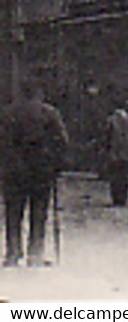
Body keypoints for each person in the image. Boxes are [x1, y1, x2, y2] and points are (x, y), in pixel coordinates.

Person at [2, 79, 69, 266]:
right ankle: (35, 254)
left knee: (13, 213)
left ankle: (13, 253)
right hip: (41, 170)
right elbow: (62, 141)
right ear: (39, 92)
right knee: (39, 212)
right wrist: (57, 164)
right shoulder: (50, 113)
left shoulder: (8, 113)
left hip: (14, 172)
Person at [103, 100, 128, 206]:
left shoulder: (111, 120)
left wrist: (106, 149)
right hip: (127, 152)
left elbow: (106, 135)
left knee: (115, 176)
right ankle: (123, 198)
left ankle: (116, 197)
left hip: (114, 153)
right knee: (124, 176)